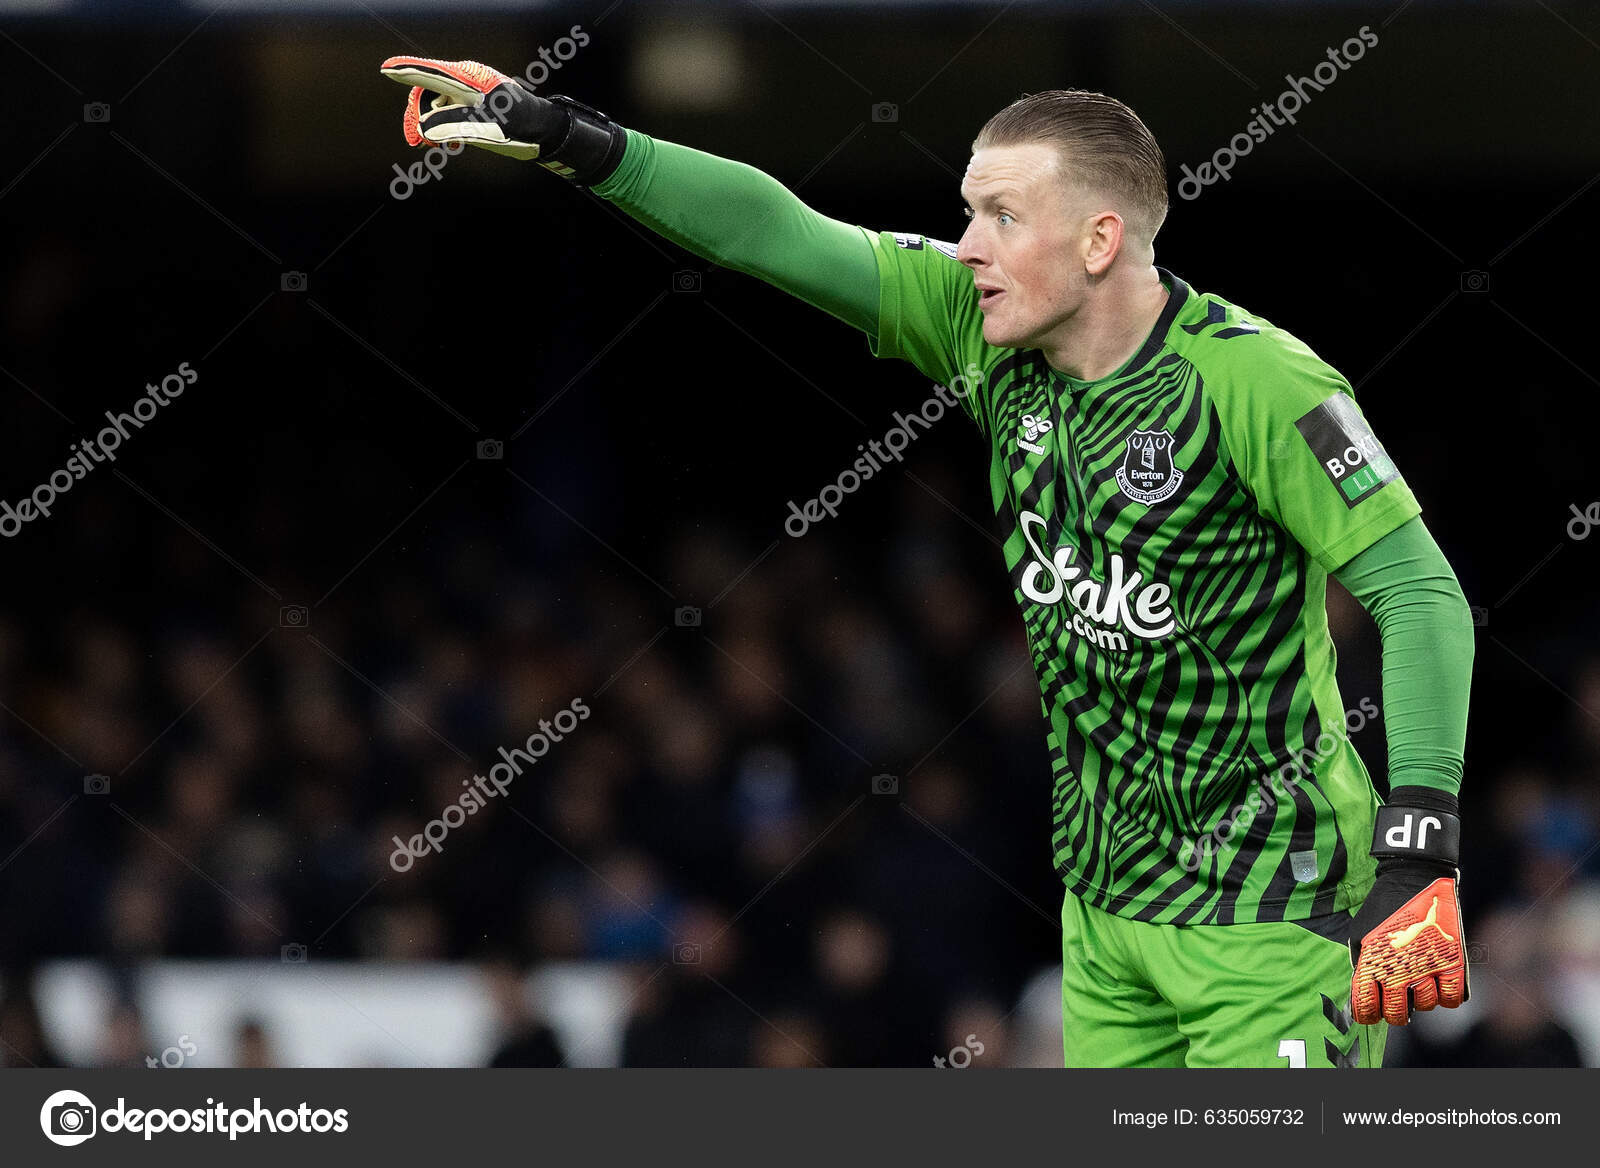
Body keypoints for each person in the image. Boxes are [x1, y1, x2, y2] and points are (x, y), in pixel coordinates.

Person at [378, 58, 1474, 1068]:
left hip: (1272, 916)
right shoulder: (975, 322)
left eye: (1002, 216)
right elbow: (778, 232)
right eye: (966, 213)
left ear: (1098, 241)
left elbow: (1420, 594)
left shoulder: (1262, 384)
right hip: (1107, 917)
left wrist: (1418, 849)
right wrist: (580, 139)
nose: (968, 246)